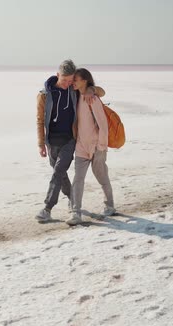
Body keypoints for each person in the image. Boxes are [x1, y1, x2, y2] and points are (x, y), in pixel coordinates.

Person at [35, 60, 105, 222]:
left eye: (71, 80)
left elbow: (102, 92)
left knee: (58, 171)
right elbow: (40, 121)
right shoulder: (44, 95)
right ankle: (72, 199)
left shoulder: (75, 91)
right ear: (57, 75)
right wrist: (41, 144)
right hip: (51, 141)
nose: (68, 84)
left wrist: (91, 90)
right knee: (60, 173)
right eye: (64, 80)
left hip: (70, 139)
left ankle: (47, 208)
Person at [67, 68, 115, 226]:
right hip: (81, 146)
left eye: (76, 79)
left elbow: (103, 124)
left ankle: (110, 206)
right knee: (78, 179)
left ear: (85, 81)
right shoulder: (75, 96)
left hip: (96, 146)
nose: (73, 82)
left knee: (102, 177)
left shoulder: (92, 99)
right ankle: (76, 212)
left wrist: (102, 146)